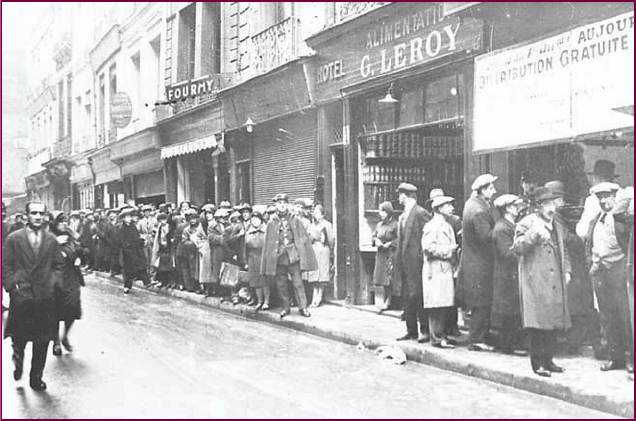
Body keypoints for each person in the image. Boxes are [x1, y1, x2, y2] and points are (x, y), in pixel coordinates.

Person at [2, 202, 65, 390]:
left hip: (44, 297)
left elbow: (59, 265)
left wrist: (54, 283)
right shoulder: (14, 239)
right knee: (19, 337)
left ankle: (36, 377)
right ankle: (18, 358)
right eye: (34, 213)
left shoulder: (51, 240)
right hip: (22, 296)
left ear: (45, 216)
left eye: (41, 213)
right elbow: (6, 264)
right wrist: (12, 285)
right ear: (26, 215)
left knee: (42, 340)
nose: (38, 216)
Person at [513, 187, 572, 377]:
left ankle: (549, 360)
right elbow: (518, 247)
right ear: (537, 206)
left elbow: (564, 250)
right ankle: (537, 363)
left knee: (552, 320)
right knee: (538, 323)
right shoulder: (526, 223)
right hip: (536, 280)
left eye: (552, 203)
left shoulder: (557, 225)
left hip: (555, 280)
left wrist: (567, 270)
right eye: (546, 204)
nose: (551, 208)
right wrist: (533, 234)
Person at [545, 180, 599, 355]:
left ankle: (574, 340)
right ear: (556, 199)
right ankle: (575, 341)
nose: (563, 202)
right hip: (570, 263)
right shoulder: (556, 216)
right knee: (577, 302)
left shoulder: (554, 215)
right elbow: (565, 238)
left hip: (566, 262)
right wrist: (581, 238)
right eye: (561, 198)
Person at [586, 182, 634, 374]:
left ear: (615, 196)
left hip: (619, 270)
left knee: (625, 316)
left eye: (607, 196)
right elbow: (590, 243)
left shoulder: (622, 220)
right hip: (600, 271)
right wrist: (592, 264)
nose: (603, 201)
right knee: (607, 316)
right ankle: (616, 358)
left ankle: (631, 359)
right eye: (600, 198)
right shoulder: (596, 219)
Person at [458, 174, 498, 352]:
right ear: (482, 190)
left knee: (478, 302)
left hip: (472, 261)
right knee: (481, 302)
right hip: (480, 263)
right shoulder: (479, 211)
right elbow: (486, 237)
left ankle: (479, 336)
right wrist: (502, 229)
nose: (494, 191)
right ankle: (477, 339)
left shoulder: (471, 204)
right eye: (491, 188)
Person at [260, 193, 317, 318]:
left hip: (293, 256)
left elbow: (303, 238)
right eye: (279, 203)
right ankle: (285, 308)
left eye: (284, 203)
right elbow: (268, 243)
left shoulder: (295, 219)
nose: (282, 206)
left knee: (298, 283)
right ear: (276, 205)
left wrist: (300, 252)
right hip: (279, 257)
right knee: (281, 285)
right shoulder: (271, 222)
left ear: (287, 204)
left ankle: (303, 308)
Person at [392, 183, 432, 342]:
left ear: (405, 196)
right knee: (407, 297)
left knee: (419, 296)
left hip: (417, 264)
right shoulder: (403, 215)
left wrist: (421, 257)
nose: (398, 198)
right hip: (404, 264)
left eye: (400, 195)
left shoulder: (421, 213)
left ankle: (425, 330)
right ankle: (411, 330)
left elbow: (428, 236)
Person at [421, 194, 458, 349]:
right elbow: (428, 247)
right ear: (439, 208)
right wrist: (448, 251)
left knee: (443, 304)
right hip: (435, 270)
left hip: (444, 269)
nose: (452, 208)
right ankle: (436, 338)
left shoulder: (446, 225)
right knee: (436, 305)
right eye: (448, 205)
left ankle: (441, 335)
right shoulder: (432, 226)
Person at [491, 194, 526, 355]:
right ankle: (509, 346)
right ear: (507, 209)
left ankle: (512, 344)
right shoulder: (502, 228)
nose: (517, 209)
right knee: (509, 312)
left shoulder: (509, 225)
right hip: (506, 276)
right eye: (514, 206)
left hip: (511, 275)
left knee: (513, 310)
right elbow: (506, 253)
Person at [49, 213, 84, 356]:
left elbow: (82, 250)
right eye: (60, 222)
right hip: (55, 278)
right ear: (54, 224)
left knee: (72, 308)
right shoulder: (49, 237)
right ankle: (56, 341)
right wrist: (55, 243)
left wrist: (80, 257)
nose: (63, 224)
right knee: (55, 311)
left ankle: (65, 337)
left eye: (65, 222)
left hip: (71, 277)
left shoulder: (70, 236)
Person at [576, 159, 619, 239]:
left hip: (600, 242)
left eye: (593, 178)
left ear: (597, 178)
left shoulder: (592, 200)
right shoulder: (622, 194)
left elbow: (583, 231)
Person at [372, 201, 399, 312]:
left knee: (389, 278)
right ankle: (385, 298)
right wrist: (376, 241)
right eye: (380, 211)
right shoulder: (379, 225)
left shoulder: (395, 224)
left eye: (383, 211)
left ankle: (389, 300)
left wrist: (391, 243)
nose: (381, 214)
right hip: (381, 254)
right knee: (382, 278)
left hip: (390, 254)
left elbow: (400, 239)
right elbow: (374, 236)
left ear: (388, 212)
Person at [307, 204, 334, 308]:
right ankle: (314, 297)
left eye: (318, 213)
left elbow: (331, 240)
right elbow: (308, 239)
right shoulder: (312, 225)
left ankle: (319, 297)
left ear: (322, 214)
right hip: (314, 250)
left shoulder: (327, 225)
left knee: (322, 274)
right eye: (315, 213)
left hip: (323, 250)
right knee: (314, 274)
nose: (316, 215)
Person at [244, 206, 270, 310]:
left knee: (264, 282)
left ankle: (267, 301)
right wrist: (246, 262)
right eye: (253, 219)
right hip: (252, 258)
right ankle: (259, 301)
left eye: (257, 219)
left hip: (263, 257)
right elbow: (245, 248)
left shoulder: (266, 230)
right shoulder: (248, 232)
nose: (254, 221)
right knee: (255, 281)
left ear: (261, 220)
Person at [119, 208, 150, 293]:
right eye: (127, 217)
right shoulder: (122, 228)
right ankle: (127, 286)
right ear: (123, 218)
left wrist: (141, 241)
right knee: (129, 270)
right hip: (128, 251)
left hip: (137, 249)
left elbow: (136, 237)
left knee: (141, 265)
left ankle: (147, 282)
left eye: (130, 217)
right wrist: (126, 249)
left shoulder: (133, 226)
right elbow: (121, 240)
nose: (129, 218)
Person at [196, 204, 215, 296]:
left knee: (214, 269)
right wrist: (200, 246)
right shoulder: (202, 225)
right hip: (205, 249)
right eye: (206, 213)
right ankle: (207, 288)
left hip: (214, 248)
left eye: (210, 213)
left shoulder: (215, 224)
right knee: (205, 269)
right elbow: (197, 237)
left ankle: (214, 288)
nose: (208, 215)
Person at [180, 209, 201, 293]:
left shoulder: (200, 228)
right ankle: (194, 286)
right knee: (192, 269)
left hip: (200, 251)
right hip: (191, 252)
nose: (192, 221)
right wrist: (192, 243)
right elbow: (184, 241)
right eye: (191, 219)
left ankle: (200, 286)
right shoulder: (186, 230)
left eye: (194, 219)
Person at [152, 213, 173, 289]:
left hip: (168, 247)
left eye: (163, 220)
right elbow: (158, 237)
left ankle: (168, 282)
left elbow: (170, 236)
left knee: (168, 266)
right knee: (161, 266)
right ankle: (162, 281)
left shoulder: (169, 227)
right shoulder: (160, 227)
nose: (162, 222)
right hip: (162, 248)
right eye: (161, 220)